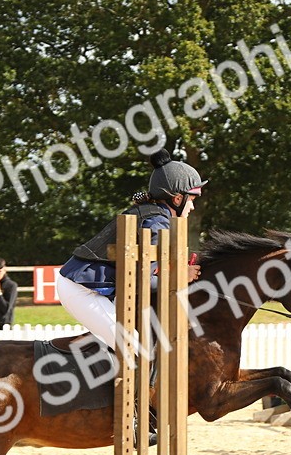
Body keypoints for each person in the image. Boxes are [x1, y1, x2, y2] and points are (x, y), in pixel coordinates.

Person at [56, 149, 203, 347]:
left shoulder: (155, 216)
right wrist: (180, 276)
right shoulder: (157, 223)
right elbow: (141, 281)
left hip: (98, 288)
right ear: (177, 199)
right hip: (83, 291)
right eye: (191, 200)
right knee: (135, 350)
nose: (192, 207)